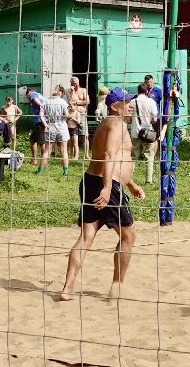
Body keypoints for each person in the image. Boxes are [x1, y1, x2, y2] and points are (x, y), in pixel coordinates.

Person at [58, 87, 146, 301]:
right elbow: (108, 156)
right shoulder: (116, 124)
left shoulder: (105, 124)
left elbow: (114, 160)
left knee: (87, 237)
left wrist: (131, 184)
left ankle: (67, 289)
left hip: (91, 180)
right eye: (127, 102)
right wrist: (108, 188)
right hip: (105, 185)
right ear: (115, 107)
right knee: (128, 235)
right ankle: (117, 286)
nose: (131, 105)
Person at [131, 82, 161, 184]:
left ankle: (129, 178)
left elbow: (129, 118)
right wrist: (149, 122)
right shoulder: (151, 102)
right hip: (148, 134)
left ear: (137, 91)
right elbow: (155, 119)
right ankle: (148, 180)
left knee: (133, 157)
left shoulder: (132, 102)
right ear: (147, 91)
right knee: (149, 157)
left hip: (135, 132)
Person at [41, 86, 72, 173]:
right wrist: (68, 117)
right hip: (62, 127)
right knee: (64, 151)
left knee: (47, 150)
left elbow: (41, 115)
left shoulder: (46, 101)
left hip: (50, 126)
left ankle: (40, 170)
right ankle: (65, 171)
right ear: (61, 93)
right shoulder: (62, 102)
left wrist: (45, 124)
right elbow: (66, 115)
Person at [67, 76, 90, 165]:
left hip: (81, 114)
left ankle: (86, 154)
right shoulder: (69, 91)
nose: (75, 85)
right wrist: (73, 92)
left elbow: (87, 101)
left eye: (76, 83)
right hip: (72, 115)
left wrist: (76, 102)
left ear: (78, 82)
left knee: (85, 135)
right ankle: (72, 155)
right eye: (73, 84)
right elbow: (69, 102)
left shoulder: (83, 90)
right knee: (72, 137)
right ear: (71, 84)